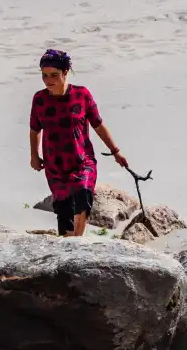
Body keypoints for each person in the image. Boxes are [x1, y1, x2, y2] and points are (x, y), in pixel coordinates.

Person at [29, 49, 128, 237]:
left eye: (54, 75)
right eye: (44, 75)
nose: (48, 80)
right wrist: (34, 156)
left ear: (66, 72)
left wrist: (115, 151)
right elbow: (35, 129)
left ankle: (78, 241)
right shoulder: (40, 99)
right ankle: (68, 245)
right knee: (63, 210)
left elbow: (98, 125)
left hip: (82, 161)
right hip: (55, 165)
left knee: (83, 195)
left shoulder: (82, 95)